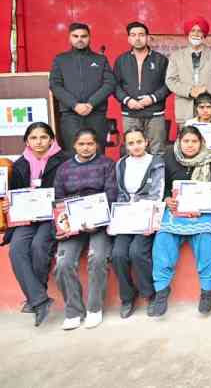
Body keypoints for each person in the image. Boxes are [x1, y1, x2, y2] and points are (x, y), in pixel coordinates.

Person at [152, 126, 211, 316]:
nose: (190, 145)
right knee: (164, 236)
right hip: (177, 207)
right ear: (179, 142)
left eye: (194, 141)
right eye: (186, 141)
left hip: (205, 208)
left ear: (201, 142)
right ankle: (161, 289)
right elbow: (163, 187)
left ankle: (206, 290)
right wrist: (167, 199)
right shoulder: (169, 157)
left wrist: (201, 204)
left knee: (207, 237)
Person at [1, 122, 67, 327]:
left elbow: (67, 188)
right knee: (17, 249)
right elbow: (11, 195)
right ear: (27, 141)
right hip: (25, 218)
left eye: (43, 137)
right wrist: (7, 206)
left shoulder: (63, 161)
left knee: (39, 246)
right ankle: (40, 300)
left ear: (51, 139)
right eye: (33, 138)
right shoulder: (19, 164)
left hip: (50, 216)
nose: (38, 142)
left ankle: (35, 298)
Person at [53, 128, 117, 330]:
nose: (86, 148)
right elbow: (58, 200)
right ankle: (73, 311)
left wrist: (96, 222)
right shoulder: (64, 169)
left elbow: (112, 195)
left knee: (97, 258)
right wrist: (65, 224)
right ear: (74, 145)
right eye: (81, 144)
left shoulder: (107, 164)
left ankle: (94, 308)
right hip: (72, 224)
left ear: (96, 144)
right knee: (63, 262)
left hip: (98, 223)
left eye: (90, 143)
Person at [112, 127, 165, 318]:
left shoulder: (156, 162)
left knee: (137, 252)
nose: (136, 146)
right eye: (131, 143)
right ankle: (127, 296)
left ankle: (150, 294)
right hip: (126, 216)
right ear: (126, 146)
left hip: (146, 215)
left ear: (146, 142)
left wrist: (144, 214)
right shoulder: (120, 164)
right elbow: (119, 192)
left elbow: (157, 193)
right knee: (118, 254)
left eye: (139, 141)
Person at [49, 22, 116, 152]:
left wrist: (91, 104)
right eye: (76, 36)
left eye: (83, 36)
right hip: (70, 115)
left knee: (97, 153)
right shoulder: (60, 59)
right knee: (72, 154)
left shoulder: (100, 60)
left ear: (89, 38)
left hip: (96, 114)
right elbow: (55, 85)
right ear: (70, 38)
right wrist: (74, 105)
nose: (80, 39)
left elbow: (110, 83)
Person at [113, 21, 170, 155]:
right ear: (129, 38)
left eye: (141, 34)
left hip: (155, 113)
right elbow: (114, 85)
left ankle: (157, 177)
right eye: (133, 35)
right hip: (130, 113)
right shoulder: (121, 60)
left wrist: (153, 98)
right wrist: (127, 100)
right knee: (132, 151)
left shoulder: (160, 59)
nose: (137, 38)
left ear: (148, 37)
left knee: (158, 150)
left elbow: (169, 85)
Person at [165, 16, 211, 126]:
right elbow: (170, 81)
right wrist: (189, 90)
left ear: (204, 34)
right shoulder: (176, 56)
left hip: (210, 110)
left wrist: (206, 88)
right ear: (188, 33)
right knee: (188, 142)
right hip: (185, 110)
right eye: (193, 30)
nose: (196, 34)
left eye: (199, 31)